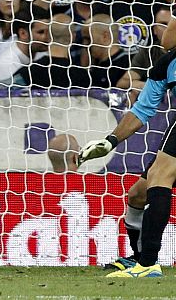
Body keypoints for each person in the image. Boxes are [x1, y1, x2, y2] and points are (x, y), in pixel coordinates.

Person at [78, 49, 176, 278]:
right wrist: (110, 141)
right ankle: (141, 258)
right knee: (138, 195)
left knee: (161, 174)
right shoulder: (166, 64)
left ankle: (149, 265)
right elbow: (141, 109)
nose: (167, 28)